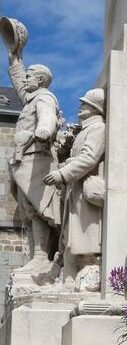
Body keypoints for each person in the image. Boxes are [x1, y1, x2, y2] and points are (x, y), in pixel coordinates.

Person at [44, 88, 105, 289]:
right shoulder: (86, 130)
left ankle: (86, 275)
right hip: (74, 188)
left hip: (83, 188)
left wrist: (63, 173)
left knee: (84, 235)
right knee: (69, 236)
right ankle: (68, 278)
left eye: (86, 104)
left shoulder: (98, 128)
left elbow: (89, 158)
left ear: (95, 108)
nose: (81, 107)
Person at [7, 50, 61, 272]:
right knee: (28, 209)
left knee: (38, 207)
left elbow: (48, 116)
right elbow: (19, 81)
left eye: (30, 76)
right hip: (23, 161)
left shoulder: (44, 97)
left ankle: (41, 256)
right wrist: (15, 58)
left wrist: (44, 130)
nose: (26, 79)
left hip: (37, 159)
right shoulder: (30, 98)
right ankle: (35, 257)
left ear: (40, 80)